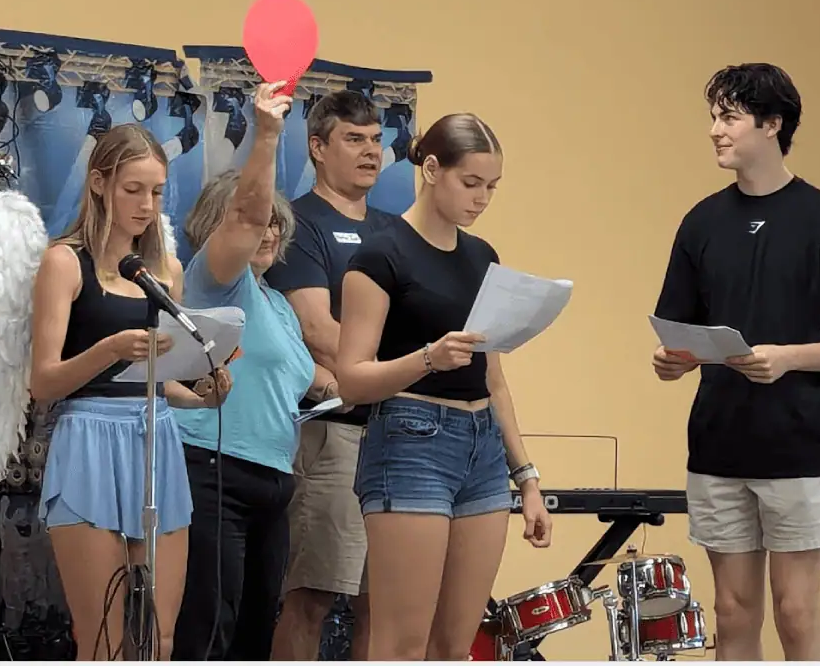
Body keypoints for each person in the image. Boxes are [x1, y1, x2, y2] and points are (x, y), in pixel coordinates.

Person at [651, 63, 820, 661]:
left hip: (798, 448)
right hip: (717, 446)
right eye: (713, 118)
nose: (714, 131)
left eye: (728, 117)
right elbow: (678, 330)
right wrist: (672, 361)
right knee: (731, 614)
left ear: (773, 124)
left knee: (796, 611)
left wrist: (789, 358)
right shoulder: (701, 222)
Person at [335, 113, 553, 661]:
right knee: (401, 642)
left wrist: (525, 477)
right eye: (471, 183)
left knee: (458, 645)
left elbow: (494, 379)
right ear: (431, 169)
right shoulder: (381, 255)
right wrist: (427, 359)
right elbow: (352, 378)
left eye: (492, 187)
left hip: (481, 448)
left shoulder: (483, 259)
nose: (482, 199)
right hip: (411, 440)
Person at [31, 122, 229, 660]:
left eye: (157, 191)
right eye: (132, 189)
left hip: (155, 437)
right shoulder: (64, 262)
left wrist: (203, 393)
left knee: (159, 638)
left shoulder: (163, 271)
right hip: (88, 437)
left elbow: (160, 384)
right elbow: (43, 380)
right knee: (102, 638)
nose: (146, 204)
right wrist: (108, 350)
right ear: (99, 184)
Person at [170, 159, 342, 658]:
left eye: (273, 221)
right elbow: (240, 228)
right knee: (207, 624)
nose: (265, 231)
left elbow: (319, 381)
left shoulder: (279, 306)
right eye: (253, 220)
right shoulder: (216, 278)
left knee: (253, 632)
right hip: (212, 468)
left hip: (273, 480)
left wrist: (391, 376)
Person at [265, 90, 398, 661]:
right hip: (336, 432)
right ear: (317, 147)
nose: (371, 152)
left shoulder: (398, 230)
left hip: (403, 434)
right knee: (313, 595)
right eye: (354, 139)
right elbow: (317, 329)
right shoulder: (300, 224)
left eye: (376, 140)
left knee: (386, 603)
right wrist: (408, 365)